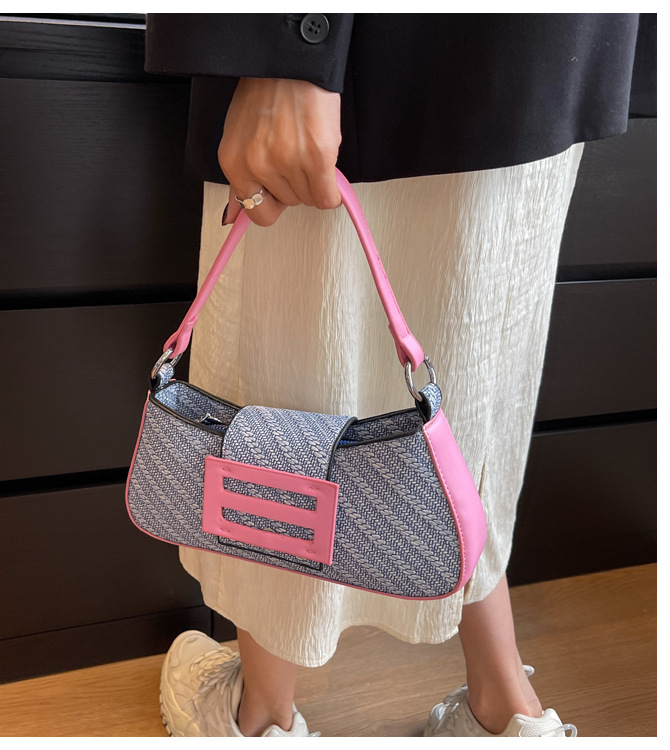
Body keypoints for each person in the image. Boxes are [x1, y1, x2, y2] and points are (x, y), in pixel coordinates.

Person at [142, 13, 655, 737]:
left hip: (363, 56)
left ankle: (258, 717)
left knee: (285, 367)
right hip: (547, 55)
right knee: (476, 383)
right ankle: (505, 712)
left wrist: (291, 44)